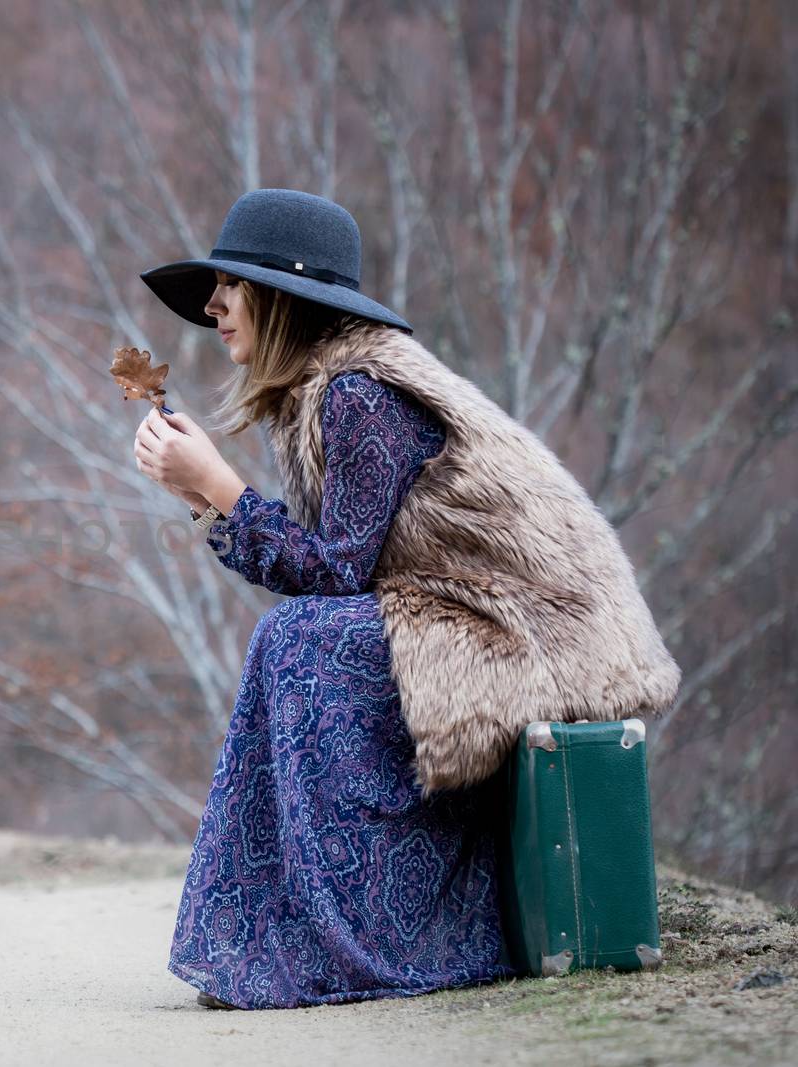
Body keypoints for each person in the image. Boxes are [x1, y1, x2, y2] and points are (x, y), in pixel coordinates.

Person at [131, 189, 679, 1010]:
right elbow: (340, 562)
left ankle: (364, 943)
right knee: (303, 636)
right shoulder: (327, 389)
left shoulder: (358, 393)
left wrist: (220, 487)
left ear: (281, 297)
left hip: (528, 638)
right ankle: (296, 940)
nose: (211, 307)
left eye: (230, 287)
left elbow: (339, 571)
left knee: (302, 639)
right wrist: (212, 496)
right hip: (471, 621)